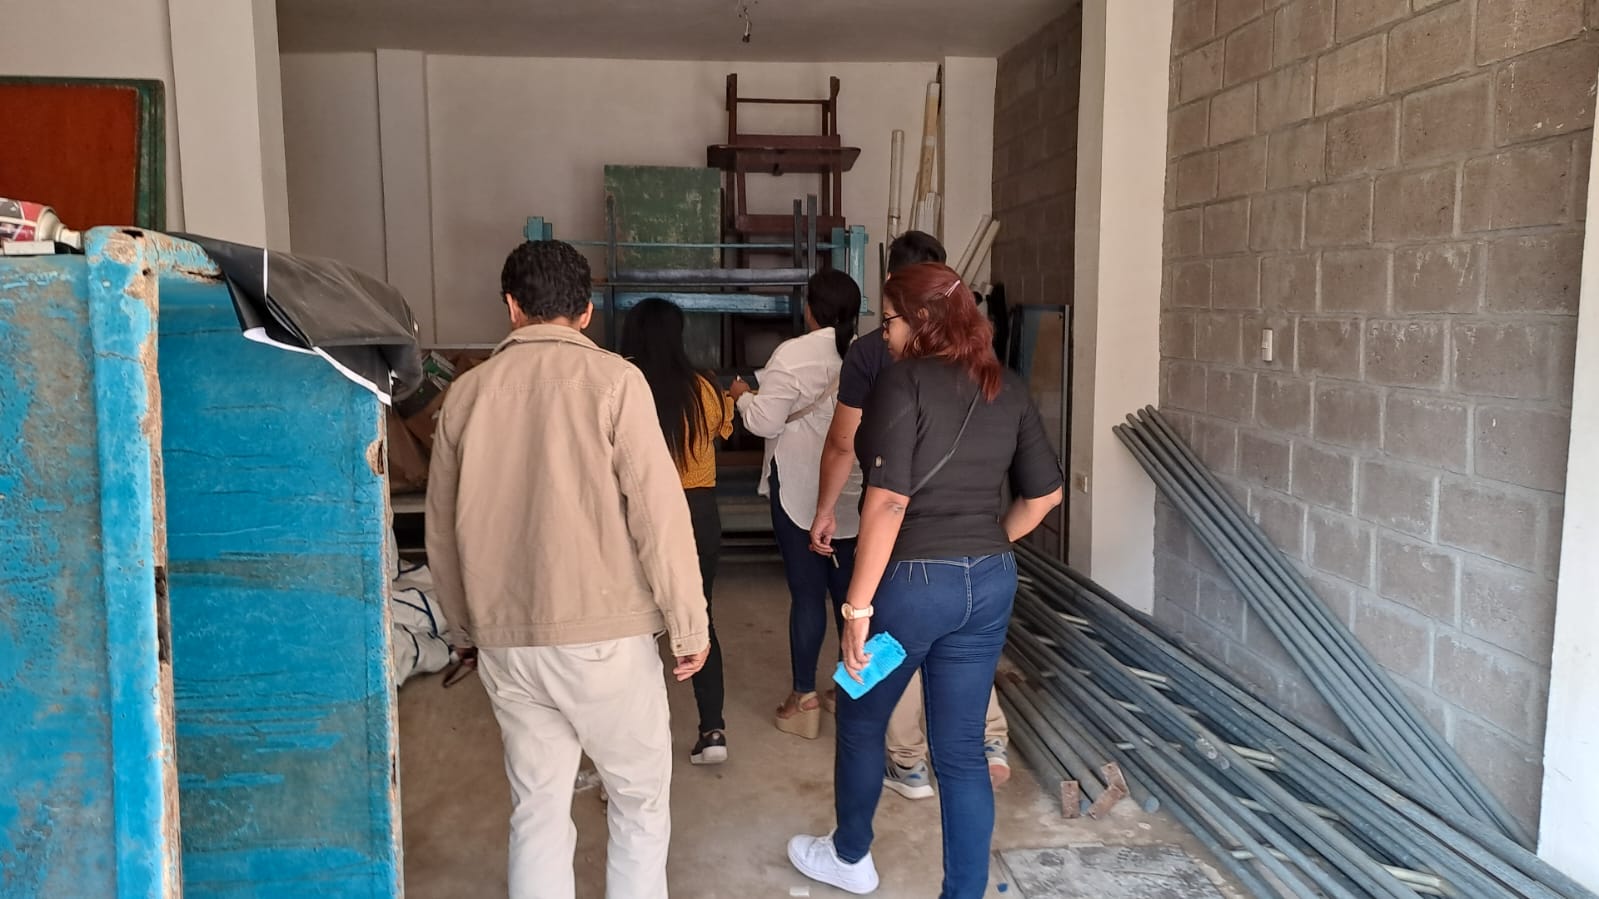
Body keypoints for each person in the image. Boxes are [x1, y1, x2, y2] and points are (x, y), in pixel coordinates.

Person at [426, 240, 710, 899]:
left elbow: (439, 530)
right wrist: (688, 623)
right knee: (638, 802)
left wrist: (465, 631)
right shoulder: (614, 382)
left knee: (537, 808)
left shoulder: (465, 395)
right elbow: (658, 514)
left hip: (507, 639)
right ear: (585, 313)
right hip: (604, 637)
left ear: (511, 306)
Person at [788, 262, 1065, 898]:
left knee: (859, 716)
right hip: (989, 585)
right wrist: (985, 545)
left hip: (910, 591)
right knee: (962, 750)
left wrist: (856, 611)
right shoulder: (1006, 385)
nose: (883, 334)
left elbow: (888, 501)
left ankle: (849, 857)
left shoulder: (902, 381)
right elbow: (1046, 496)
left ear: (920, 321)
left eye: (888, 320)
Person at [810, 231, 1014, 799]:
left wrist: (826, 513)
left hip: (902, 544)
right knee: (963, 647)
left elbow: (846, 445)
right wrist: (996, 541)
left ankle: (907, 763)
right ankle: (988, 739)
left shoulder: (874, 355)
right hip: (975, 540)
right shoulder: (980, 355)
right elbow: (1044, 490)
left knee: (889, 643)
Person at [728, 269, 864, 740]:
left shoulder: (792, 354)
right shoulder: (868, 354)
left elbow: (765, 424)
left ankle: (804, 698)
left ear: (810, 309)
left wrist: (743, 398)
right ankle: (851, 694)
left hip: (800, 493)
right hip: (854, 493)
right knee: (852, 600)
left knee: (807, 596)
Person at [620, 297, 735, 765]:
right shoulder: (704, 387)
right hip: (699, 513)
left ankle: (635, 746)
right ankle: (713, 731)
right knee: (699, 617)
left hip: (641, 514)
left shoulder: (625, 385)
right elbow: (724, 427)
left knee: (635, 629)